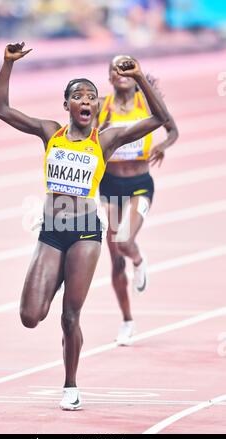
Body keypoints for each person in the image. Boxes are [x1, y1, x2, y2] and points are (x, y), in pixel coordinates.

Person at [0, 43, 169, 410]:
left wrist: (138, 78)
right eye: (78, 96)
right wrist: (7, 64)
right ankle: (52, 280)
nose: (86, 101)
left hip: (86, 233)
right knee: (30, 316)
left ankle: (70, 386)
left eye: (91, 96)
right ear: (67, 105)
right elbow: (0, 109)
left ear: (95, 106)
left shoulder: (105, 140)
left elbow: (159, 120)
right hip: (51, 232)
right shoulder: (50, 132)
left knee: (70, 316)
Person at [97, 55, 179, 346]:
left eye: (125, 68)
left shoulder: (148, 103)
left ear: (135, 74)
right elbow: (87, 137)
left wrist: (162, 145)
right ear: (108, 77)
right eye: (114, 69)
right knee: (115, 259)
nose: (120, 73)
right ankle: (127, 320)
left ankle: (140, 259)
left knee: (124, 241)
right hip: (109, 185)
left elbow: (172, 129)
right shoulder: (102, 107)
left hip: (139, 184)